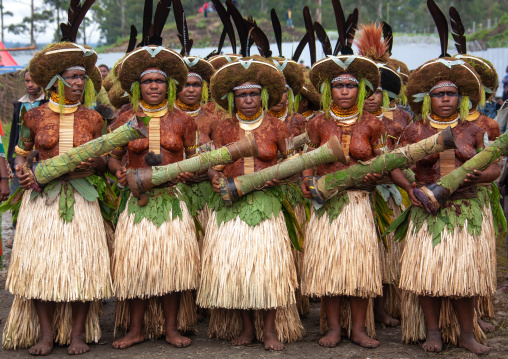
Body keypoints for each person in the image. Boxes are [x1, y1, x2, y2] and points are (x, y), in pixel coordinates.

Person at [2, 38, 112, 355]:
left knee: (81, 266)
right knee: (40, 265)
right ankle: (46, 336)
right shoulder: (34, 116)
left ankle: (77, 335)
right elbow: (21, 156)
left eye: (82, 77)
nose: (80, 83)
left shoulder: (93, 119)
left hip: (82, 200)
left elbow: (106, 160)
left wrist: (98, 162)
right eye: (73, 77)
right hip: (43, 200)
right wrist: (21, 171)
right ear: (55, 81)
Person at [197, 55, 303, 351]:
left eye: (253, 93)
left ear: (263, 95)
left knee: (267, 270)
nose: (247, 99)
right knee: (239, 268)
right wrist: (214, 178)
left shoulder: (278, 127)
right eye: (241, 94)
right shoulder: (223, 128)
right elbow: (212, 164)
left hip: (266, 206)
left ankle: (269, 330)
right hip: (230, 205)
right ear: (233, 98)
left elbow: (293, 164)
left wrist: (275, 177)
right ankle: (246, 328)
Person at [394, 57, 497, 355]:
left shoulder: (476, 128)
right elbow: (394, 164)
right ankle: (434, 332)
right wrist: (409, 187)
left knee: (464, 277)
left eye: (450, 93)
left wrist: (481, 174)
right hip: (428, 212)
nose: (445, 99)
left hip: (464, 210)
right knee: (429, 278)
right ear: (428, 99)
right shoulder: (416, 130)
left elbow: (497, 167)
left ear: (461, 98)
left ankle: (467, 334)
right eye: (439, 94)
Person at [108, 44, 200, 350]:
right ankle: (136, 329)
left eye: (159, 81)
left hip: (172, 200)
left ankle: (171, 328)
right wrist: (119, 171)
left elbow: (195, 160)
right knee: (137, 266)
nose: (153, 86)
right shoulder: (127, 120)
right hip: (137, 203)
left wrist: (189, 173)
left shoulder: (184, 120)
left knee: (170, 265)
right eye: (147, 82)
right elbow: (111, 157)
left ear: (168, 86)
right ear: (138, 87)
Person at [300, 53, 384, 349]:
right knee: (330, 267)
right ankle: (333, 328)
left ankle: (358, 329)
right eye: (338, 86)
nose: (344, 91)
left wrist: (376, 176)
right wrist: (307, 183)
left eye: (350, 85)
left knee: (359, 268)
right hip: (326, 204)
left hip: (358, 203)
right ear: (329, 90)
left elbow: (382, 162)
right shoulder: (318, 122)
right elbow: (309, 160)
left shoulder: (373, 123)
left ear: (359, 89)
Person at [7, 71, 46, 196]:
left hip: (40, 159)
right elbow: (14, 133)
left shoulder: (47, 103)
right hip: (20, 156)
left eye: (33, 81)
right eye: (27, 81)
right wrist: (11, 159)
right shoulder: (19, 104)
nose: (30, 84)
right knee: (17, 195)